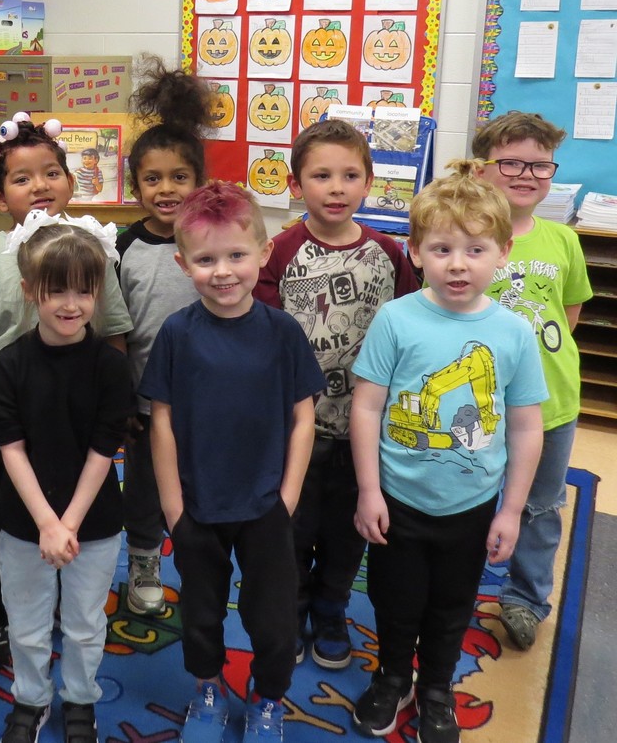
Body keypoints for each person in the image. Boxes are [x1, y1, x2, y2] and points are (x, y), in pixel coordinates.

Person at [350, 161, 546, 743]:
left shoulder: (512, 332)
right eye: (441, 248)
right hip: (399, 498)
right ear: (415, 251)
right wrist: (367, 490)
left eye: (475, 249)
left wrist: (511, 510)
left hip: (472, 504)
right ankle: (393, 676)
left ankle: (436, 684)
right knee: (395, 600)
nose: (458, 264)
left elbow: (526, 427)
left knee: (452, 606)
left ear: (503, 252)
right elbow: (367, 407)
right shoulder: (395, 318)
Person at [0, 118, 133, 667]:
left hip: (69, 433)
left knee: (66, 519)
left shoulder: (92, 253)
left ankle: (54, 605)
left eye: (52, 173)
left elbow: (113, 335)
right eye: (23, 180)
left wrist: (112, 411)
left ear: (71, 182)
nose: (41, 186)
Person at [140, 182, 326, 743]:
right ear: (183, 263)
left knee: (273, 622)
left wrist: (287, 498)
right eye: (205, 259)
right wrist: (173, 508)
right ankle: (207, 689)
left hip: (266, 504)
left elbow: (303, 419)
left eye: (236, 255)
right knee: (200, 614)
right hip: (197, 506)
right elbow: (163, 421)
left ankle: (268, 699)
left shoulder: (283, 332)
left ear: (263, 253)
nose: (223, 271)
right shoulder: (177, 334)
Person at [254, 119, 419, 669]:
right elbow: (262, 332)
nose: (337, 187)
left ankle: (331, 607)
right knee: (294, 525)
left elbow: (408, 325)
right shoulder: (278, 251)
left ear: (369, 182)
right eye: (321, 175)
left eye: (350, 175)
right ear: (296, 184)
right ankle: (295, 605)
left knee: (350, 529)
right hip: (295, 425)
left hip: (362, 427)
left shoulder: (388, 254)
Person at [0, 216, 135, 743]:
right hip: (24, 522)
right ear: (30, 291)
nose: (71, 304)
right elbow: (10, 445)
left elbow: (104, 446)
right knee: (24, 623)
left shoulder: (109, 366)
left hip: (92, 522)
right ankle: (31, 697)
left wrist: (67, 522)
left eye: (83, 290)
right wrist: (46, 523)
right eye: (56, 291)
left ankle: (80, 699)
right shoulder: (11, 362)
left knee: (85, 623)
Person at [472, 112, 593, 651]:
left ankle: (525, 597)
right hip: (477, 401)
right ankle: (459, 580)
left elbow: (568, 316)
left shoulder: (563, 239)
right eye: (512, 162)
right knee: (469, 494)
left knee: (541, 506)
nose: (527, 174)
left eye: (540, 165)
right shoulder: (466, 237)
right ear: (481, 170)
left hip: (551, 401)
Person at [117, 55, 211, 618]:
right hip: (146, 401)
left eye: (180, 177)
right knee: (146, 487)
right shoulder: (123, 247)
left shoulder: (212, 239)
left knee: (206, 481)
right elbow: (116, 327)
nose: (167, 189)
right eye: (153, 179)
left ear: (199, 181)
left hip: (207, 395)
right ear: (136, 186)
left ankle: (203, 557)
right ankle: (145, 557)